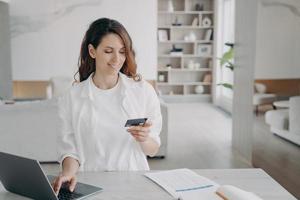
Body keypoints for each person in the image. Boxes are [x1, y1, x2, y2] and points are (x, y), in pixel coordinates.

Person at [51, 18, 162, 194]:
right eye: (109, 51)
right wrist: (67, 173)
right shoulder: (71, 98)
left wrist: (144, 138)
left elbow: (153, 149)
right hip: (92, 184)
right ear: (92, 51)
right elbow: (70, 150)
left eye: (122, 52)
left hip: (134, 183)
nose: (117, 59)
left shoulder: (143, 91)